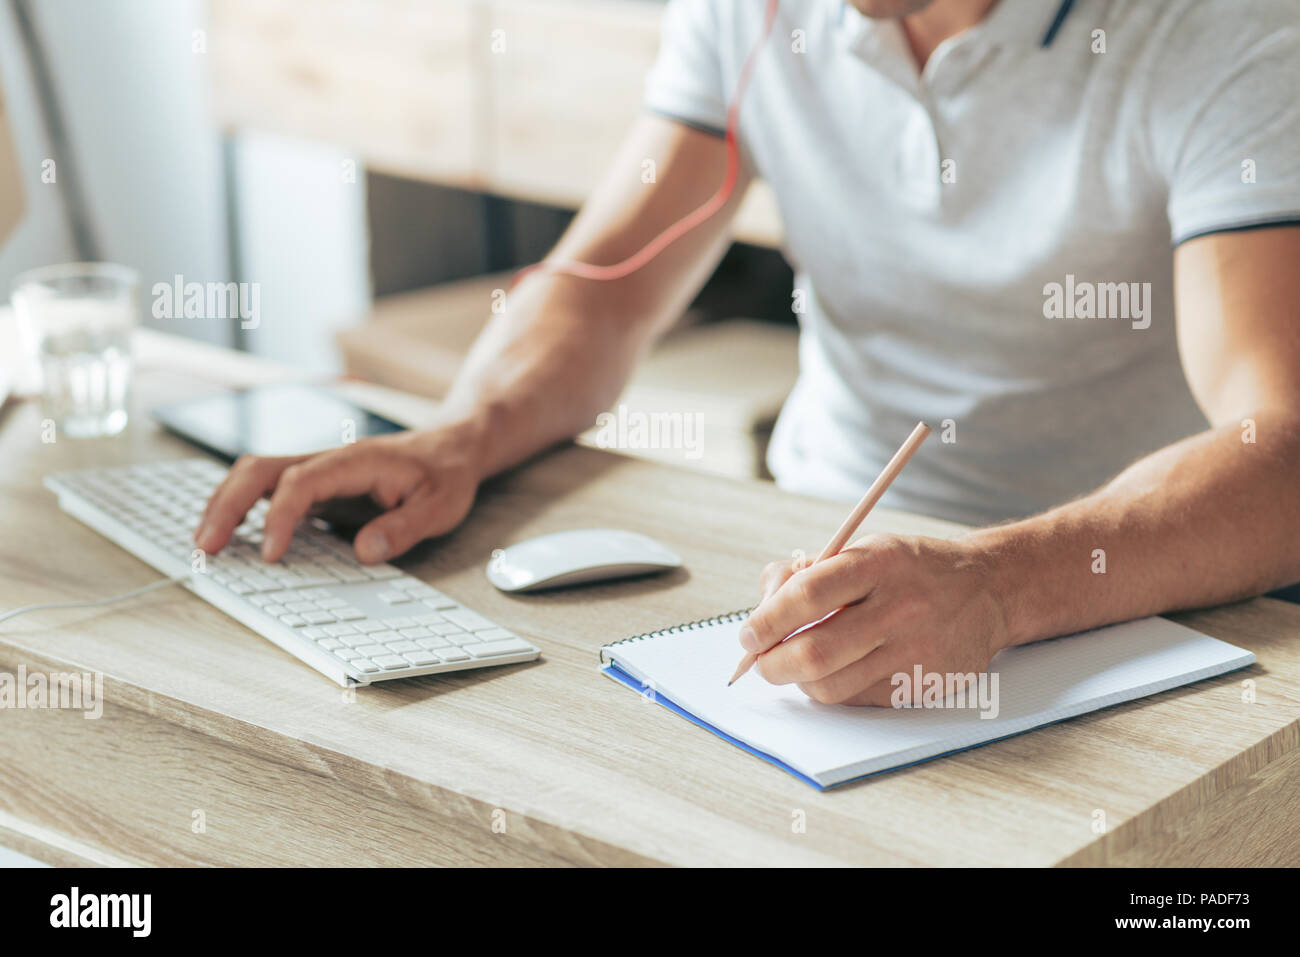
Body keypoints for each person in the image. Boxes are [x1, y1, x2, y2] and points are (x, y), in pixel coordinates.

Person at [196, 0, 1300, 705]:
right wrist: (460, 434)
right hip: (812, 552)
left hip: (1128, 602)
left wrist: (993, 585)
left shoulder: (1227, 31)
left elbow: (1280, 442)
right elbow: (605, 285)